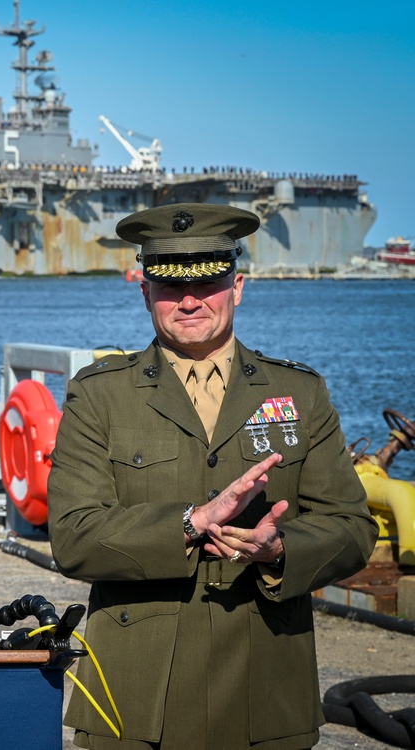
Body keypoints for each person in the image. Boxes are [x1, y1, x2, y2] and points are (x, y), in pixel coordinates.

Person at [47, 203, 378, 750]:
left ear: (237, 287)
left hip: (266, 690)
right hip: (137, 696)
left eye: (207, 283)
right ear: (146, 293)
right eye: (171, 287)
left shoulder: (299, 393)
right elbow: (73, 537)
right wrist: (191, 522)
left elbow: (353, 527)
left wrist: (280, 550)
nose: (190, 301)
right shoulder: (99, 396)